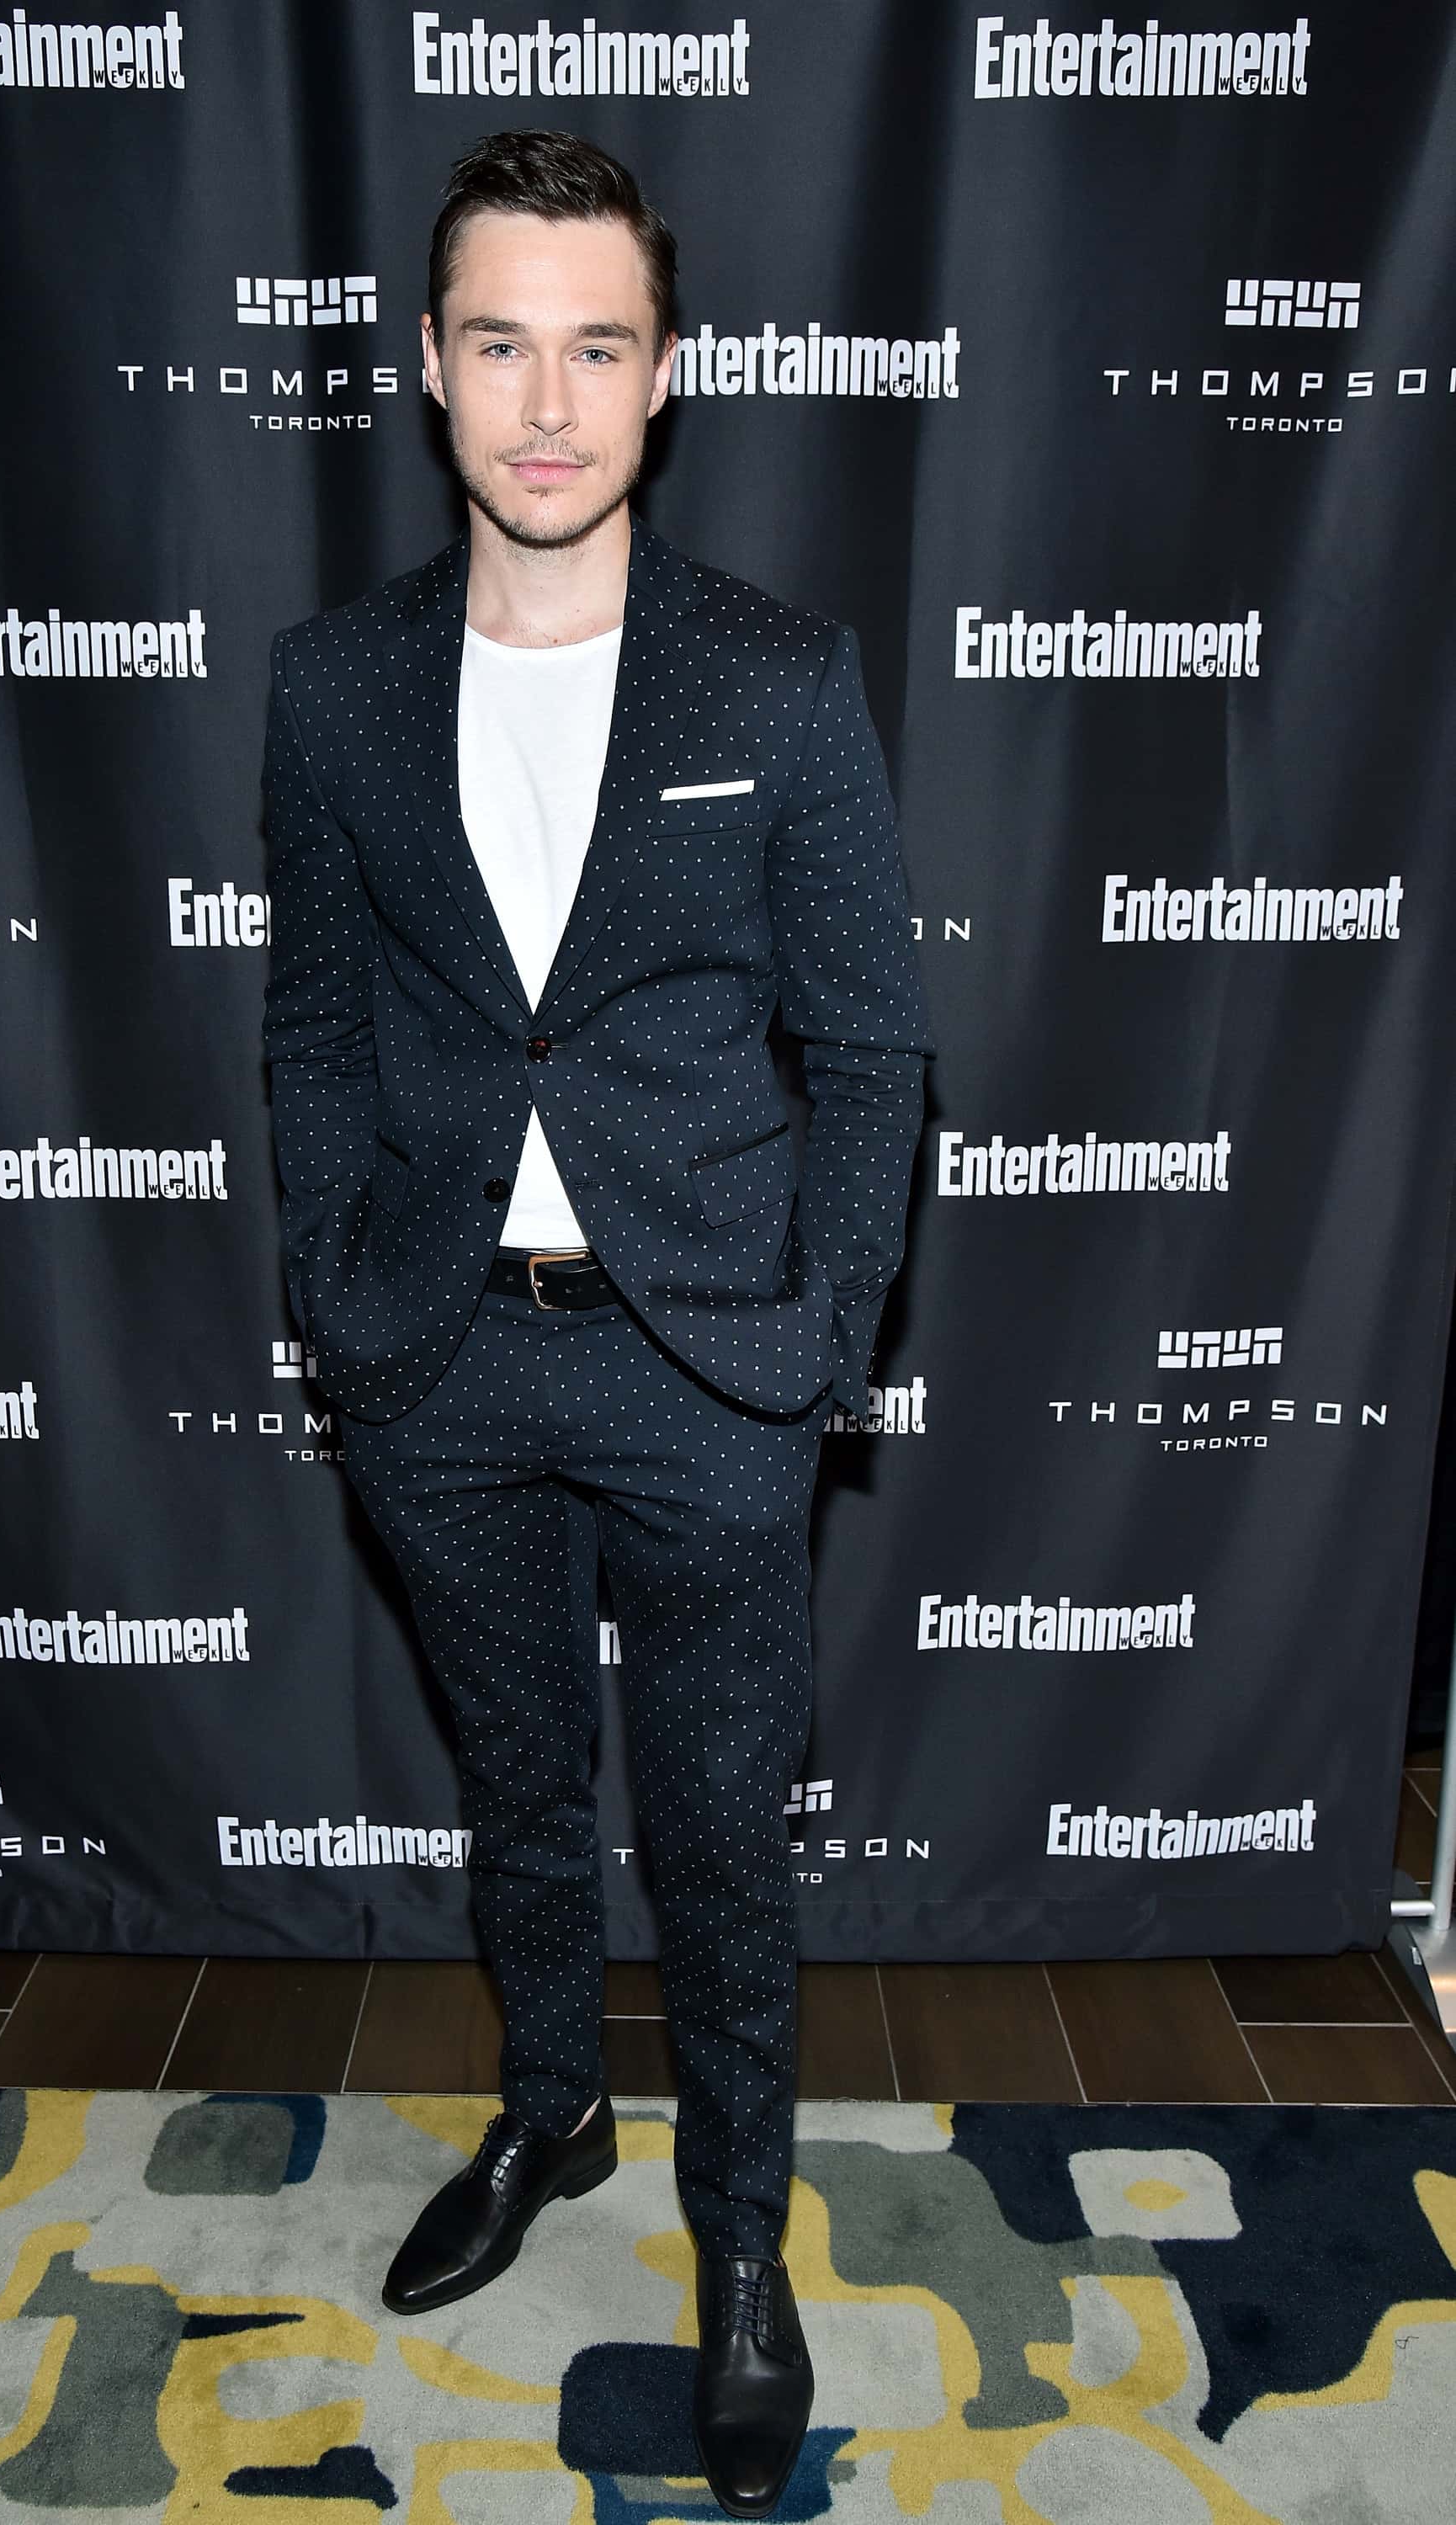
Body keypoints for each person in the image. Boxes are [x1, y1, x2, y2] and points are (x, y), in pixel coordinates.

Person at [261, 126, 931, 2520]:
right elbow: (314, 1028)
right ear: (430, 369)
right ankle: (550, 2108)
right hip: (437, 1355)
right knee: (522, 1794)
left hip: (704, 1364)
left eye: (596, 348)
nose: (547, 405)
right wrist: (337, 1290)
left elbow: (870, 1045)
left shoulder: (779, 674)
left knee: (723, 1843)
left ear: (665, 378)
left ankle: (740, 2245)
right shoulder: (334, 685)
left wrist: (816, 1332)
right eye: (501, 345)